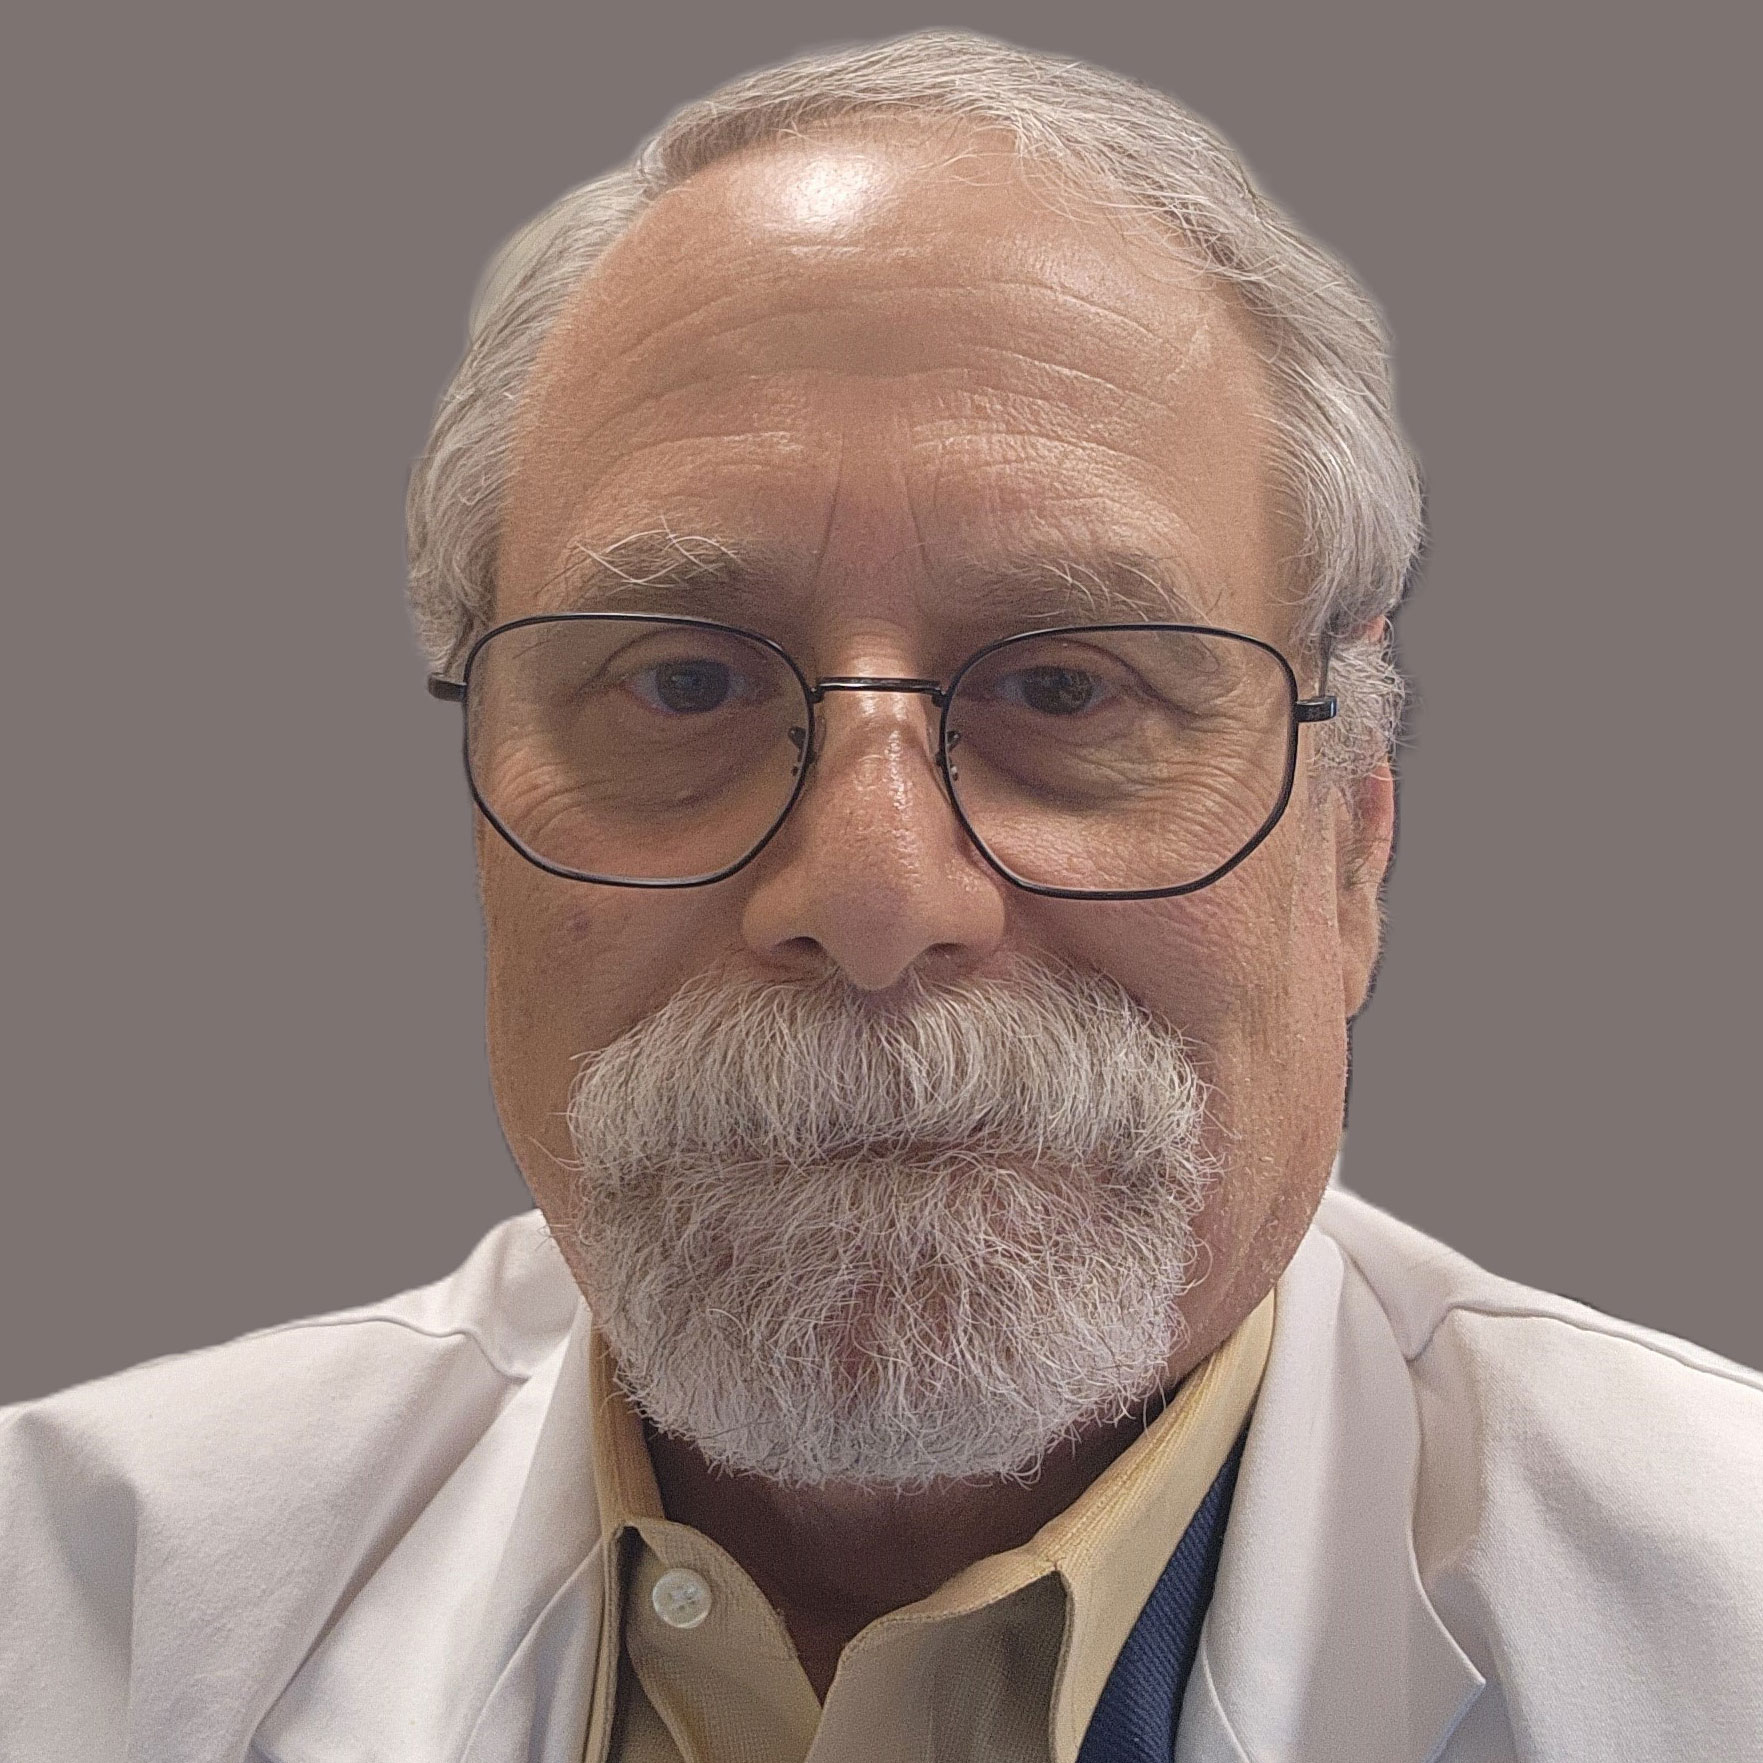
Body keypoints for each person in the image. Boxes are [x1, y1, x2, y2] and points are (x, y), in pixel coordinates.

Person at [2, 30, 1758, 1763]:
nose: (873, 895)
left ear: (1353, 845)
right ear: (481, 832)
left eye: (1067, 687)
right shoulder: (68, 1618)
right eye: (684, 685)